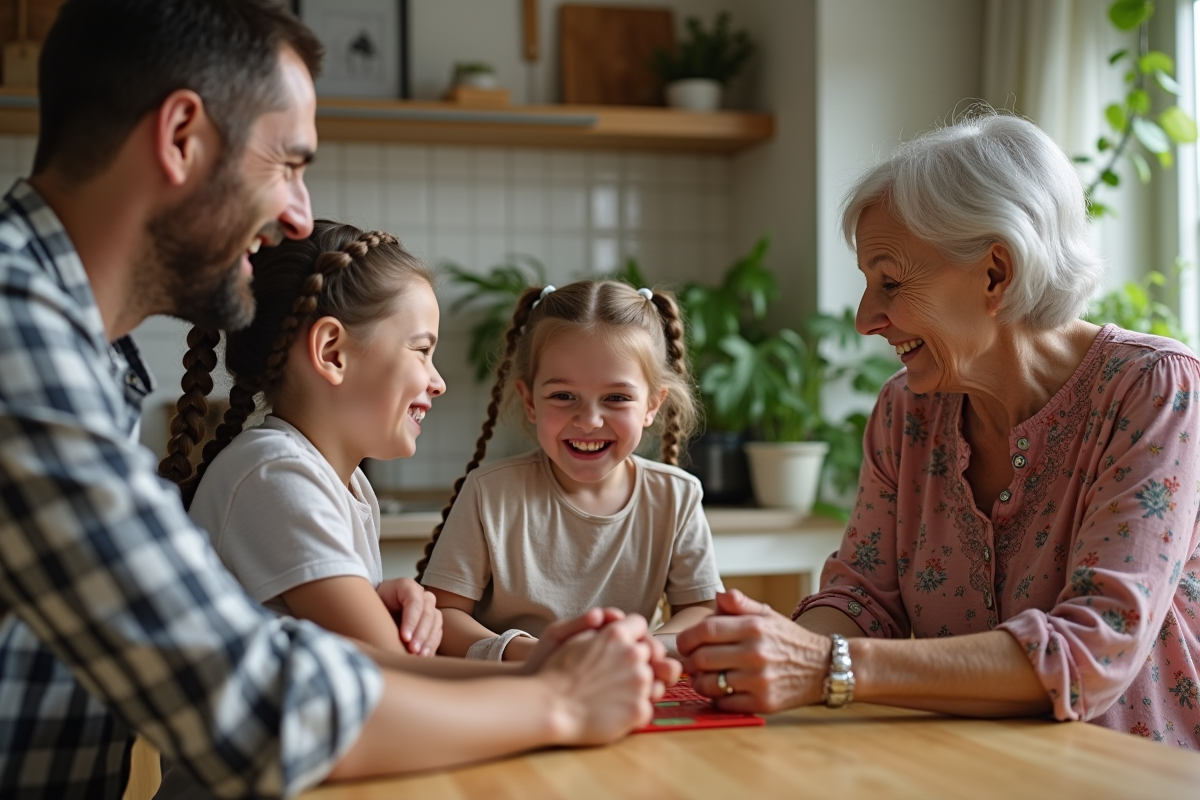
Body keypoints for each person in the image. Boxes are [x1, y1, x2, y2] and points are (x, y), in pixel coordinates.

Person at [0, 2, 675, 797]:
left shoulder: (78, 348)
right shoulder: (18, 333)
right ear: (181, 137)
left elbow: (200, 645)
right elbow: (256, 707)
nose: (296, 214)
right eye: (287, 163)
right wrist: (559, 699)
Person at [676, 111, 1200, 747]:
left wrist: (823, 667)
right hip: (957, 766)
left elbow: (1094, 652)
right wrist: (756, 653)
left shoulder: (1155, 388)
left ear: (996, 273)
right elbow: (862, 601)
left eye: (891, 281)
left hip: (1125, 775)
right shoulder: (906, 412)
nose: (866, 318)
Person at [158, 220, 446, 657]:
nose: (438, 382)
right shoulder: (276, 473)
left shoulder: (338, 481)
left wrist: (376, 602)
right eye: (422, 351)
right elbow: (396, 673)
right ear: (332, 352)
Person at [416, 279, 723, 661]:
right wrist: (540, 655)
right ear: (530, 401)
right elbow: (442, 617)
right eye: (563, 396)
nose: (589, 420)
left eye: (616, 398)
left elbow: (701, 610)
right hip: (514, 685)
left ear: (652, 405)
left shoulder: (677, 496)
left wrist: (635, 650)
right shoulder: (489, 493)